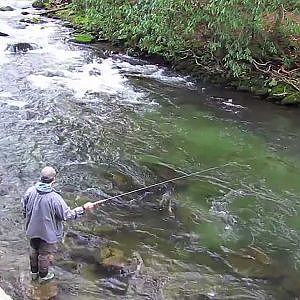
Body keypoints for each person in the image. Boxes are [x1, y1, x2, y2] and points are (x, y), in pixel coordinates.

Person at [21, 166, 94, 283]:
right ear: (54, 180)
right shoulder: (55, 198)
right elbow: (67, 215)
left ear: (41, 178)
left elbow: (23, 208)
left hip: (31, 230)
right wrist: (83, 208)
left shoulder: (30, 191)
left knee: (34, 250)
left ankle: (33, 274)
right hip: (48, 234)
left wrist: (29, 220)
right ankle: (43, 276)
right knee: (44, 255)